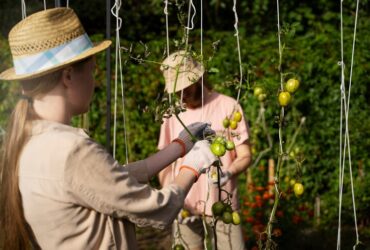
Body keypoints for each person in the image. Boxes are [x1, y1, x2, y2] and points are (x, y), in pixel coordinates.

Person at [0, 8, 217, 250]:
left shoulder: (28, 141)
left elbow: (107, 182)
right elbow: (157, 207)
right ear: (68, 76)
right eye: (93, 71)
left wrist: (179, 147)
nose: (95, 80)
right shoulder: (72, 150)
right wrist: (193, 165)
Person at [158, 50, 252, 250]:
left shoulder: (228, 106)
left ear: (199, 78)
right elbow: (163, 164)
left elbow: (244, 156)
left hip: (222, 205)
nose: (181, 94)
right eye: (177, 90)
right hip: (184, 207)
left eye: (186, 87)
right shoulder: (171, 114)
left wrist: (229, 172)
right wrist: (170, 199)